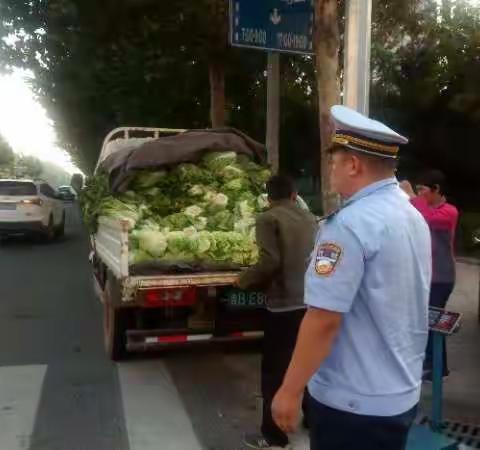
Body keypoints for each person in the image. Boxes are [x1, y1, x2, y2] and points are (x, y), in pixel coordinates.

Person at [271, 105, 432, 450]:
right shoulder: (410, 214)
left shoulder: (348, 226)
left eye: (333, 162)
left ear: (354, 165)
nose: (329, 170)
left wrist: (289, 390)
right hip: (399, 394)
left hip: (353, 403)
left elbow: (323, 319)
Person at [238, 174, 317, 450]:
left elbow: (270, 261)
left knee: (274, 370)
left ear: (269, 197)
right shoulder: (310, 218)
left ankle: (273, 436)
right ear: (295, 195)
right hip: (311, 302)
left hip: (283, 305)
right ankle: (314, 420)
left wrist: (243, 280)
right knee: (308, 363)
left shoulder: (267, 218)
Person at [400, 170, 459, 379]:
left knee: (435, 322)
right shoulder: (421, 208)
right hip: (426, 275)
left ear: (437, 190)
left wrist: (412, 196)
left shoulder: (449, 211)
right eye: (418, 190)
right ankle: (434, 365)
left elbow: (428, 218)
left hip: (441, 277)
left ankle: (437, 367)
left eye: (423, 190)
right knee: (426, 320)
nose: (419, 194)